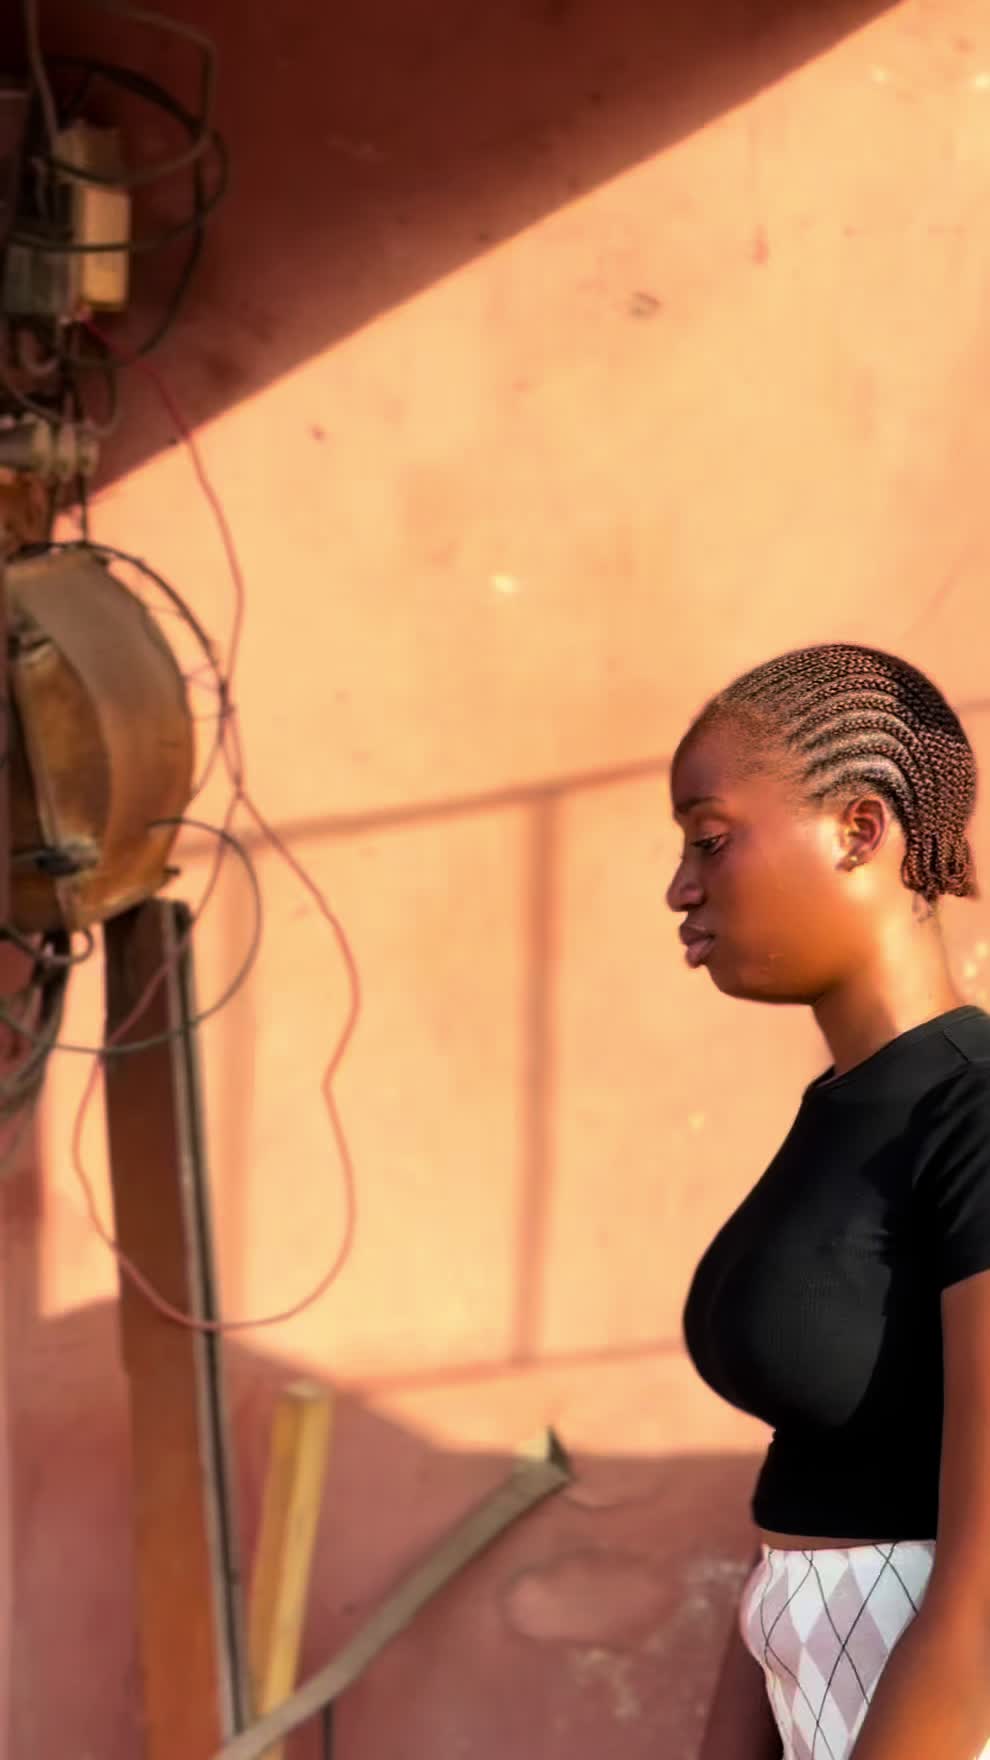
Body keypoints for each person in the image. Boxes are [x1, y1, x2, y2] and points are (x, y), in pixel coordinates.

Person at [670, 643, 990, 1760]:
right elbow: (800, 1484)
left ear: (860, 829)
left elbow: (985, 1586)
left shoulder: (975, 1110)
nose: (681, 887)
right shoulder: (842, 1114)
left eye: (710, 838)